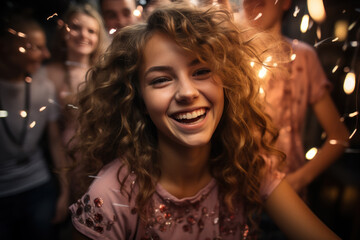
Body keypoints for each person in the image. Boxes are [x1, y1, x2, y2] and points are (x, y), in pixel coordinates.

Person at [69, 4, 341, 239]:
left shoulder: (247, 166)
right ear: (137, 98)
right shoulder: (109, 197)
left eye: (201, 71)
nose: (187, 93)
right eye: (161, 79)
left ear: (227, 83)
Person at [242, 0, 349, 196]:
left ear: (284, 3)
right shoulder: (231, 57)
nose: (252, 3)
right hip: (236, 198)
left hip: (289, 195)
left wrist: (298, 180)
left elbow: (339, 137)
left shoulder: (302, 57)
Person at [0, 14, 69, 239]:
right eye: (36, 48)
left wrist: (64, 191)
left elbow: (55, 142)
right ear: (6, 47)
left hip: (38, 186)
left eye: (45, 47)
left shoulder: (44, 88)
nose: (46, 54)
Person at [38, 3, 109, 148]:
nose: (84, 35)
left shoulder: (105, 73)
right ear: (64, 32)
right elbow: (52, 133)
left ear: (98, 38)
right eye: (76, 28)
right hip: (67, 152)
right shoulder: (48, 73)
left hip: (102, 151)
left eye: (91, 31)